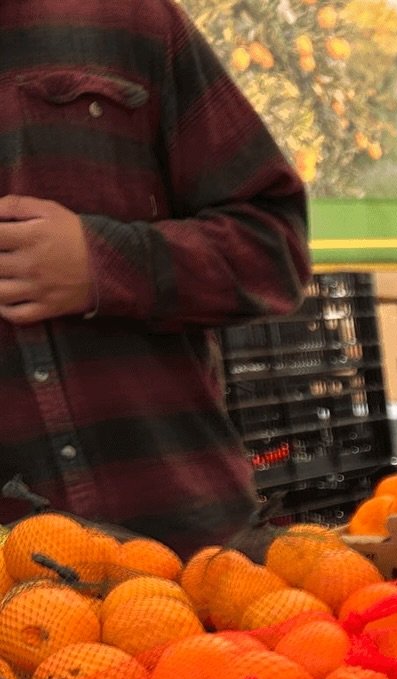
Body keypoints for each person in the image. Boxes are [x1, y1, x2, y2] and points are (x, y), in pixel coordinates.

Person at [0, 0, 311, 554]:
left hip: (191, 557)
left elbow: (274, 247)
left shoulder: (125, 21)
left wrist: (101, 263)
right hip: (16, 602)